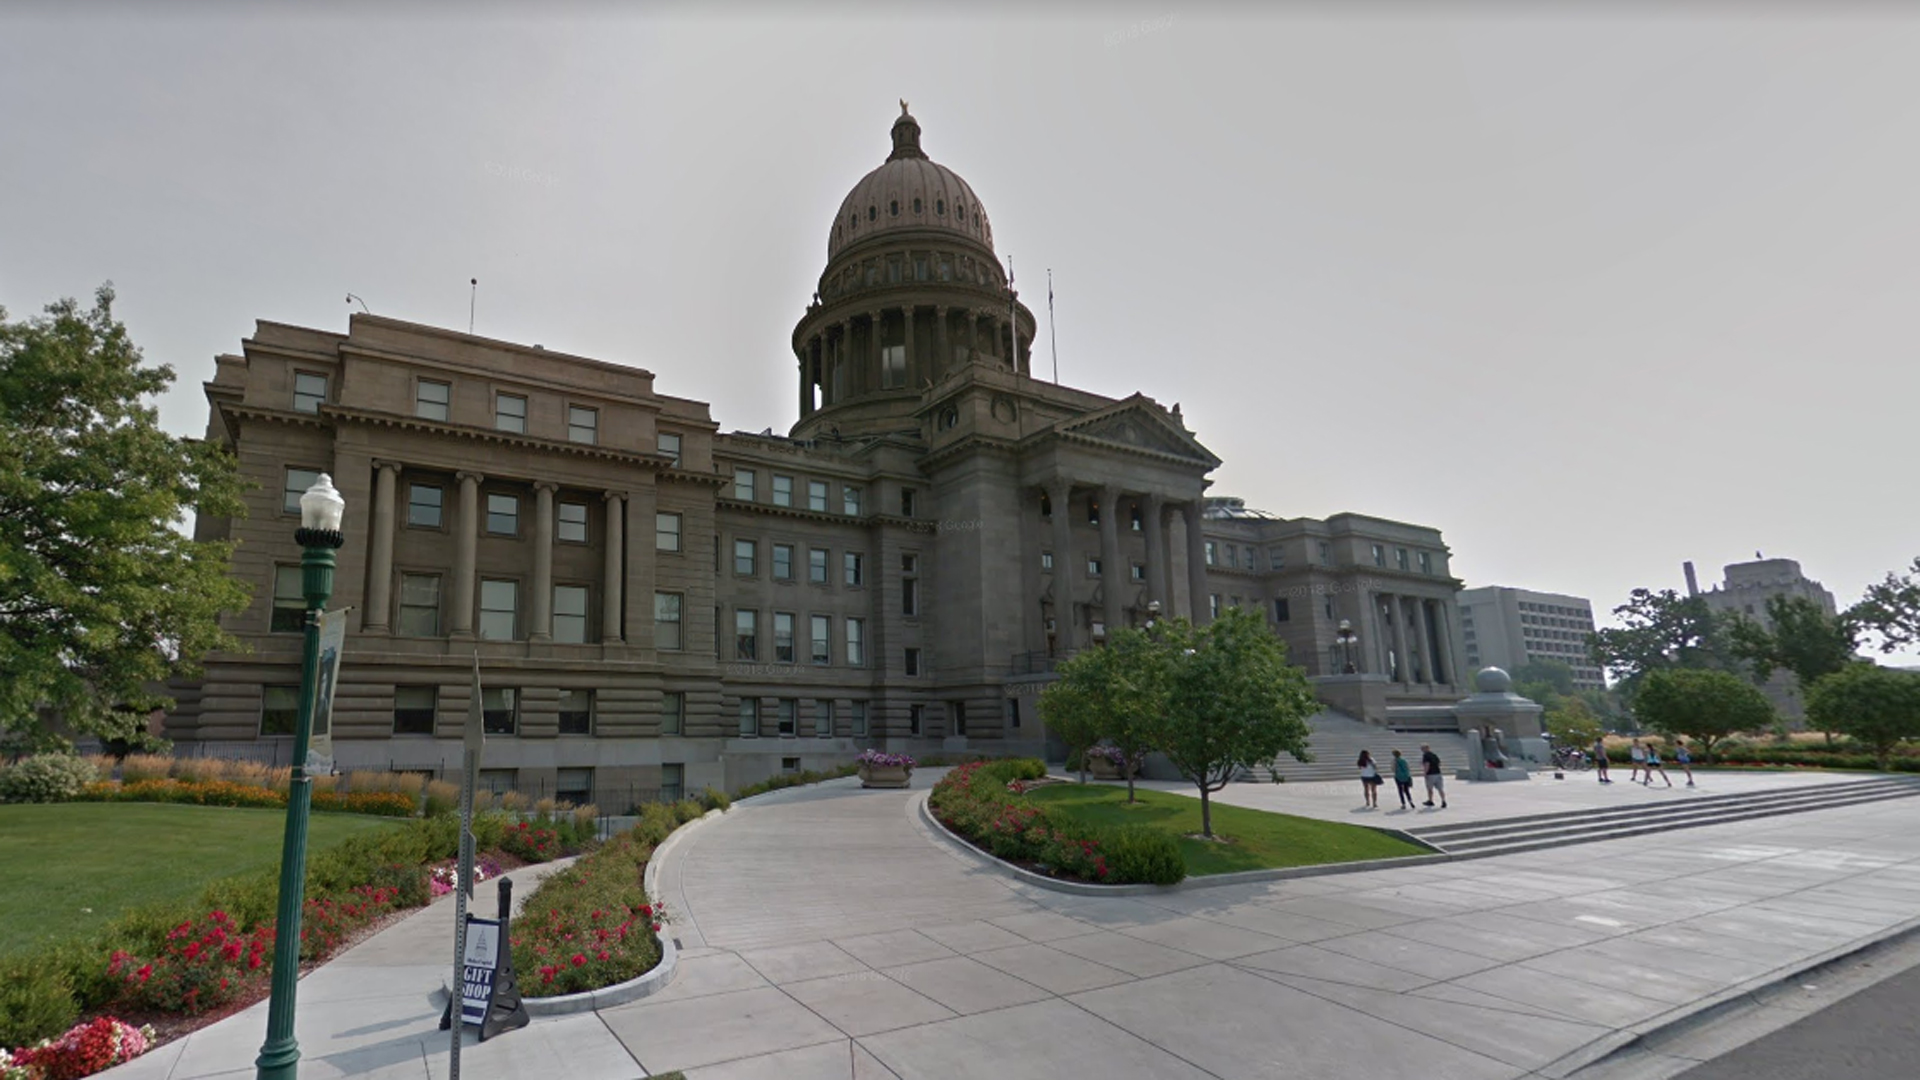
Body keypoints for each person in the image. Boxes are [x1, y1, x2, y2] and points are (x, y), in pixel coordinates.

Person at [1420, 743, 1446, 809]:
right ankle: (1443, 801)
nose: (1421, 750)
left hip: (1430, 774)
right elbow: (1439, 763)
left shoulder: (1426, 755)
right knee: (1440, 789)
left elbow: (1427, 764)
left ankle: (1431, 800)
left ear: (1426, 748)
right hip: (1438, 773)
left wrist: (1425, 773)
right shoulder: (1434, 755)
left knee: (1429, 789)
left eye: (1422, 748)